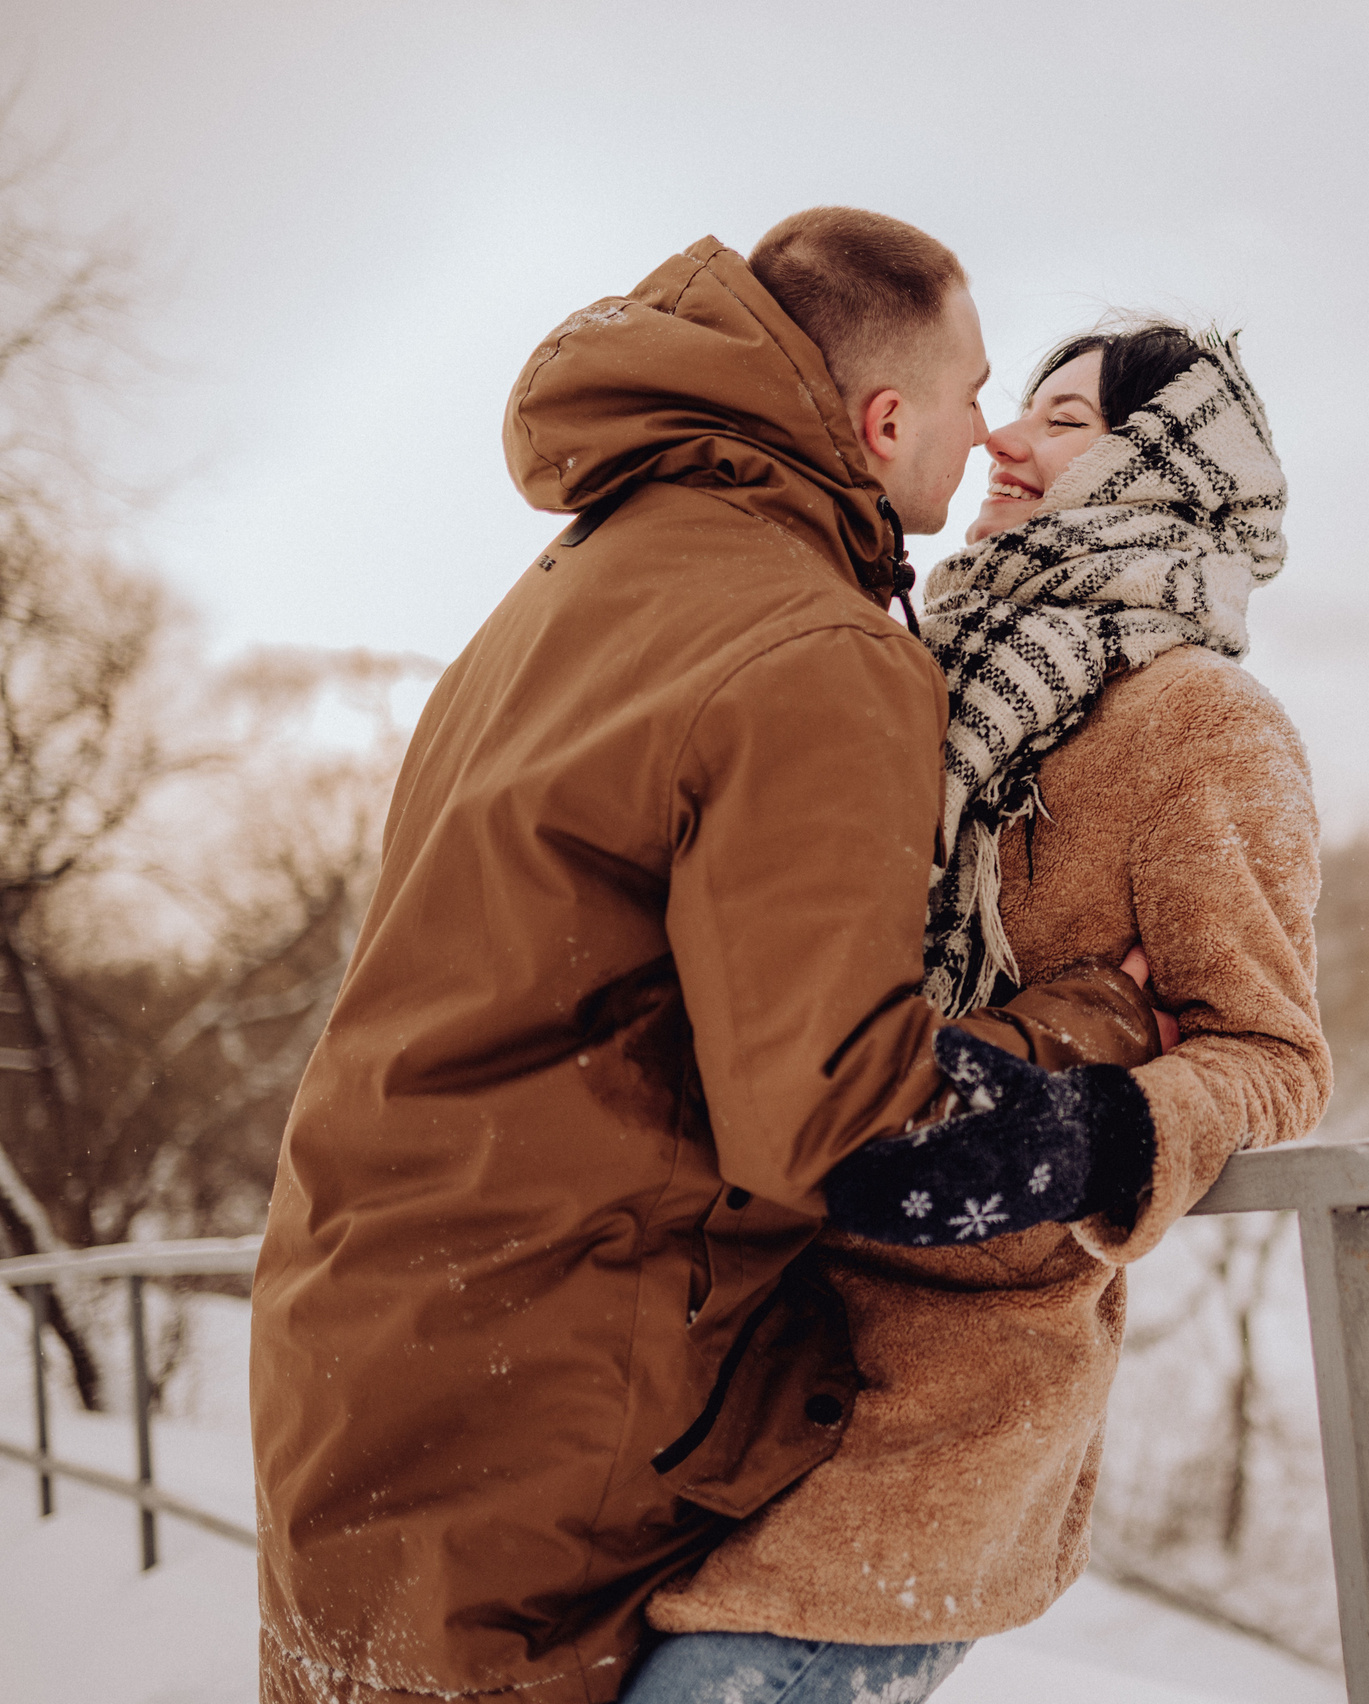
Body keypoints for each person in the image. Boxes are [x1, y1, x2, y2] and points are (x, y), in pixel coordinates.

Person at [249, 212, 1171, 1704]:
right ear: (885, 423)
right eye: (971, 393)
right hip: (542, 1397)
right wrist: (1097, 1048)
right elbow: (848, 1130)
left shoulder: (576, 579)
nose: (988, 431)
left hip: (367, 1338)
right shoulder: (816, 651)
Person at [628, 322, 1330, 1701]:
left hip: (946, 1408)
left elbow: (1273, 1054)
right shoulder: (913, 674)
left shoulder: (1201, 722)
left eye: (1064, 422)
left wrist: (1083, 1135)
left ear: (1162, 467)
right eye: (1017, 408)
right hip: (749, 1340)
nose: (1003, 438)